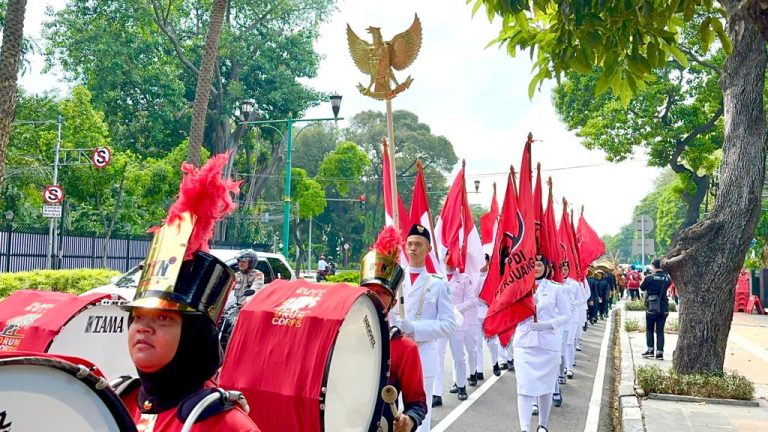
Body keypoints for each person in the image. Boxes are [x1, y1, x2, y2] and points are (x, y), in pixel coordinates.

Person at [360, 225, 428, 432]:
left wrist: (409, 420)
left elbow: (417, 404)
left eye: (382, 293)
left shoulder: (404, 348)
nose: (374, 298)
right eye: (368, 291)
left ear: (392, 301)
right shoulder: (339, 335)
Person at [390, 224, 457, 431]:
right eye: (409, 244)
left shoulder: (437, 284)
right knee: (391, 411)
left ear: (428, 249)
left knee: (418, 414)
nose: (412, 248)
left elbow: (449, 324)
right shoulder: (394, 279)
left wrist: (415, 328)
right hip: (395, 355)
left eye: (418, 244)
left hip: (422, 354)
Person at [514, 255, 570, 432]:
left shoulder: (555, 289)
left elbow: (566, 315)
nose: (536, 268)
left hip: (547, 344)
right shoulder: (519, 287)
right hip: (524, 343)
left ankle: (543, 425)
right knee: (524, 386)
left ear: (546, 268)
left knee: (546, 387)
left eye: (539, 265)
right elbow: (509, 313)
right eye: (533, 265)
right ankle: (524, 428)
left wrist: (547, 325)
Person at [437, 262, 477, 402]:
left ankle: (461, 386)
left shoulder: (464, 278)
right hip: (440, 322)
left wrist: (454, 309)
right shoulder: (437, 276)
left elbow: (472, 300)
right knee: (438, 357)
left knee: (458, 356)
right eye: (448, 255)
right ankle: (437, 393)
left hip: (457, 323)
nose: (450, 259)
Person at [475, 254, 502, 378]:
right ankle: (479, 370)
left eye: (483, 261)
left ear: (487, 262)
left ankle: (495, 363)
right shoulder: (473, 276)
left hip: (488, 312)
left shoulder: (492, 278)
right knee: (477, 343)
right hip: (475, 312)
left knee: (491, 342)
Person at [640, 259, 672, 360]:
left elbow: (642, 288)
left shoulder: (650, 277)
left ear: (653, 266)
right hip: (664, 306)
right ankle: (659, 353)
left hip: (652, 306)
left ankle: (650, 350)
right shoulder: (667, 278)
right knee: (660, 330)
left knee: (649, 329)